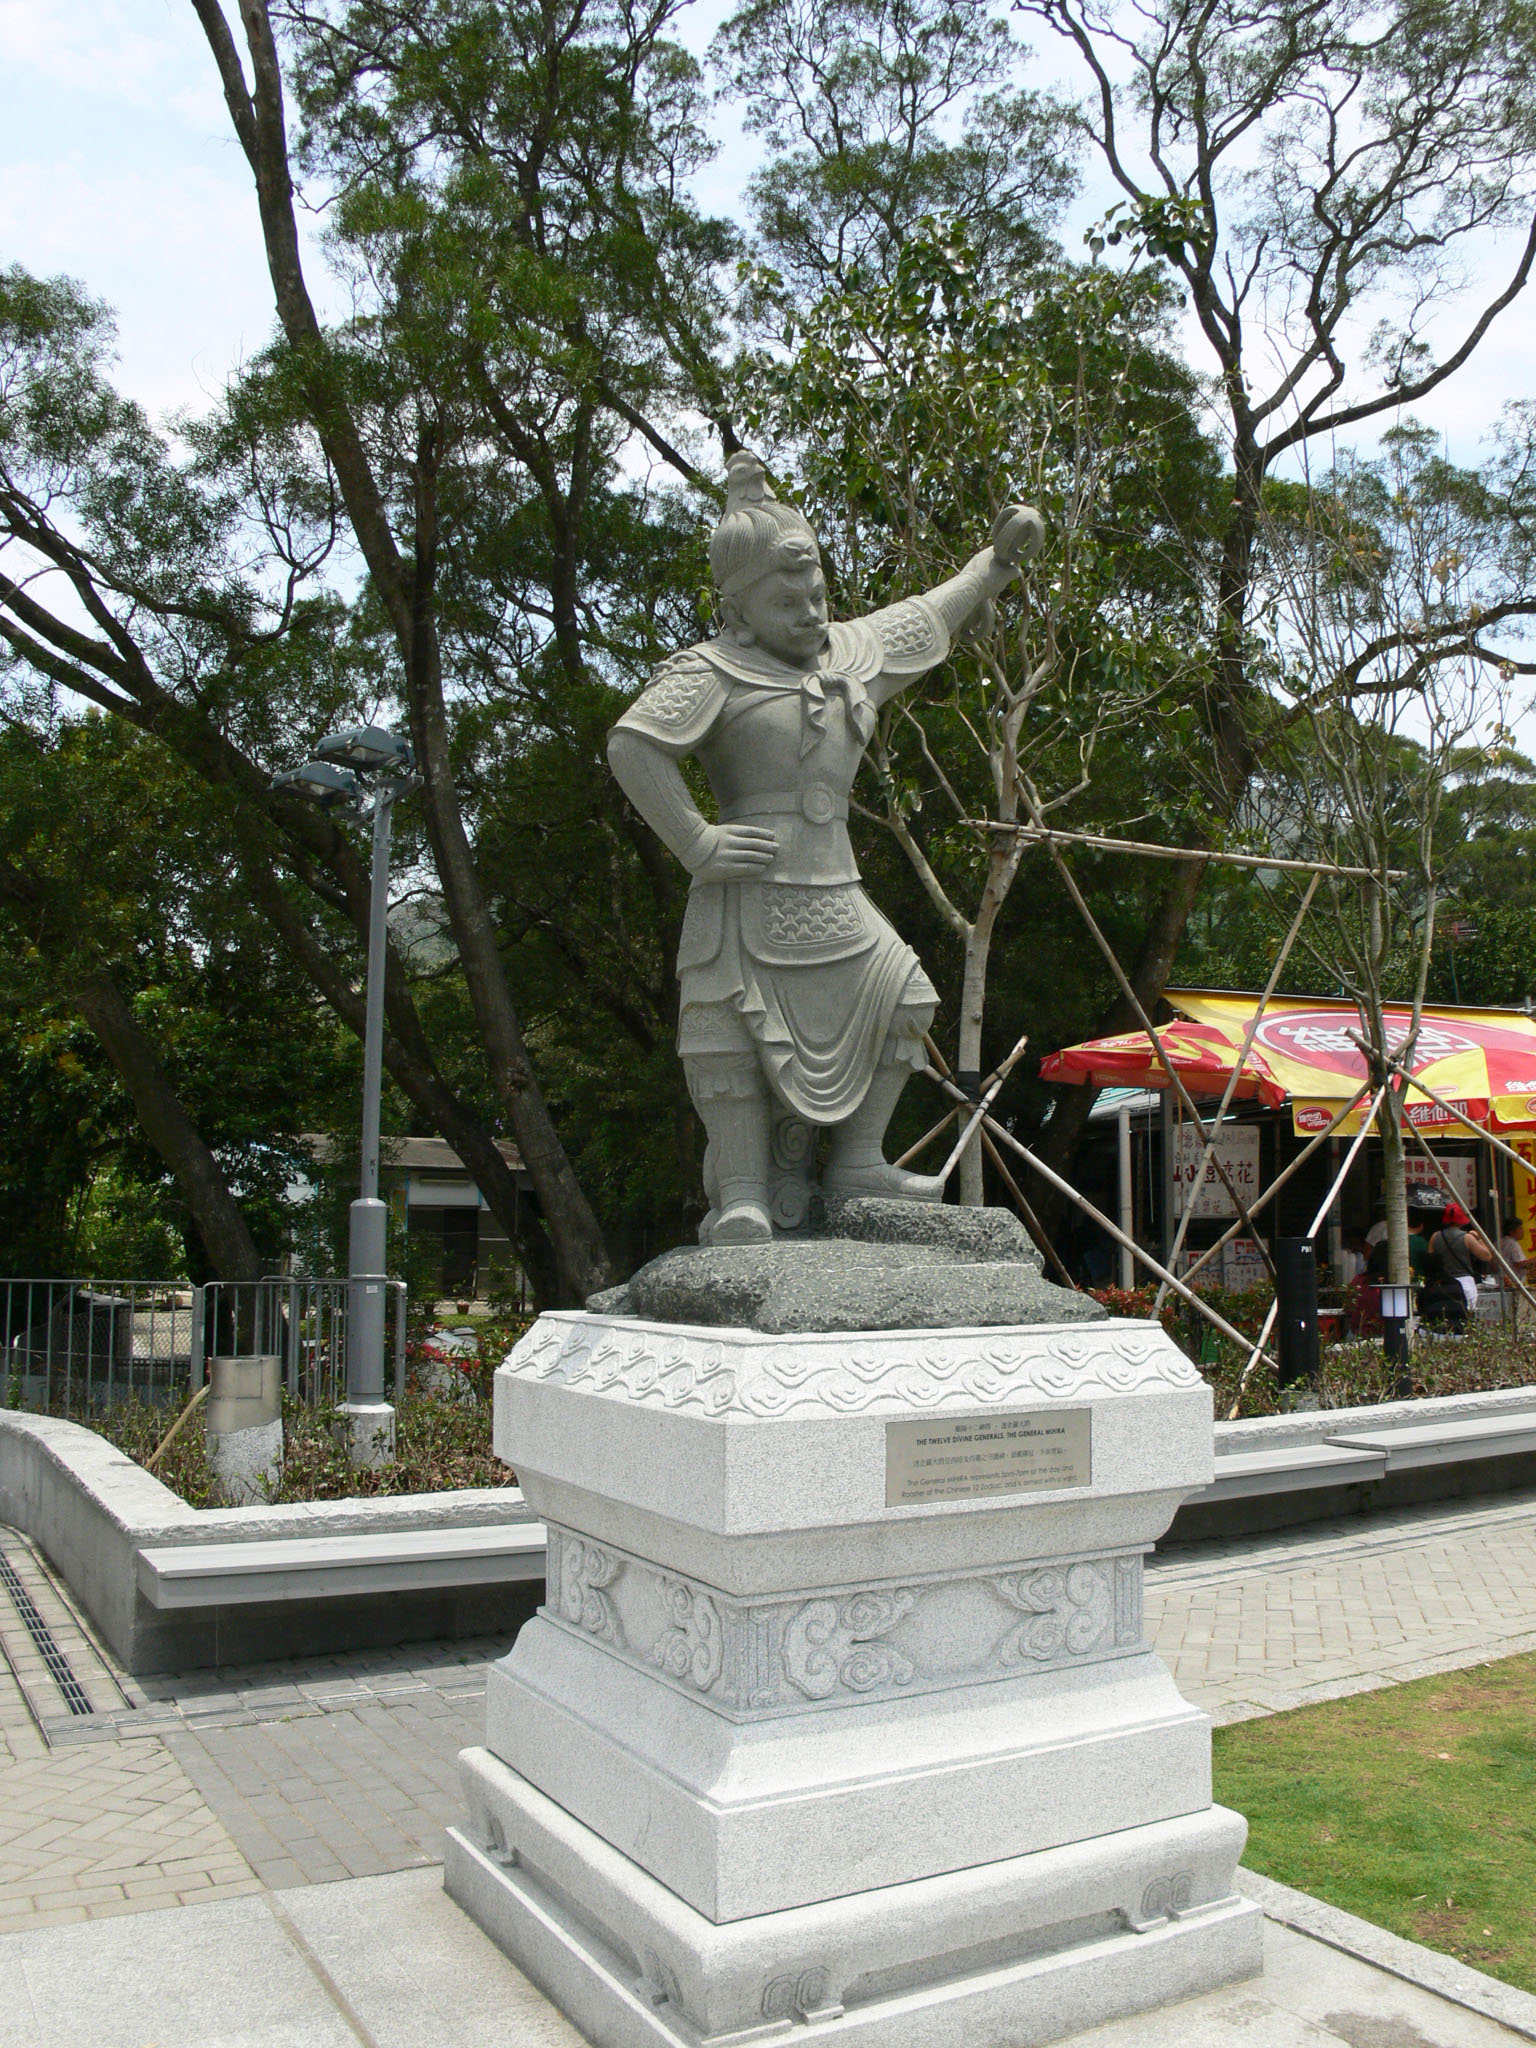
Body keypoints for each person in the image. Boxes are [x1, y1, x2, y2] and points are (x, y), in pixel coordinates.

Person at [607, 452, 1043, 1244]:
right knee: (722, 1034)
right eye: (787, 600)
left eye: (817, 595)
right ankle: (740, 1191)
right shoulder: (712, 670)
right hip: (747, 891)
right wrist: (697, 840)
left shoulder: (852, 654)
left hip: (834, 885)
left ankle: (857, 1160)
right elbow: (635, 747)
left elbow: (931, 612)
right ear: (738, 610)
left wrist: (995, 562)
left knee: (907, 996)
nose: (810, 613)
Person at [1421, 1201, 1495, 1328]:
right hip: (1464, 1282)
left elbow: (1430, 1259)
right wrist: (1479, 1238)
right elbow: (1487, 1256)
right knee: (1466, 1317)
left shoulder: (1435, 1237)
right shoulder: (1467, 1238)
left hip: (1442, 1283)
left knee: (1444, 1317)